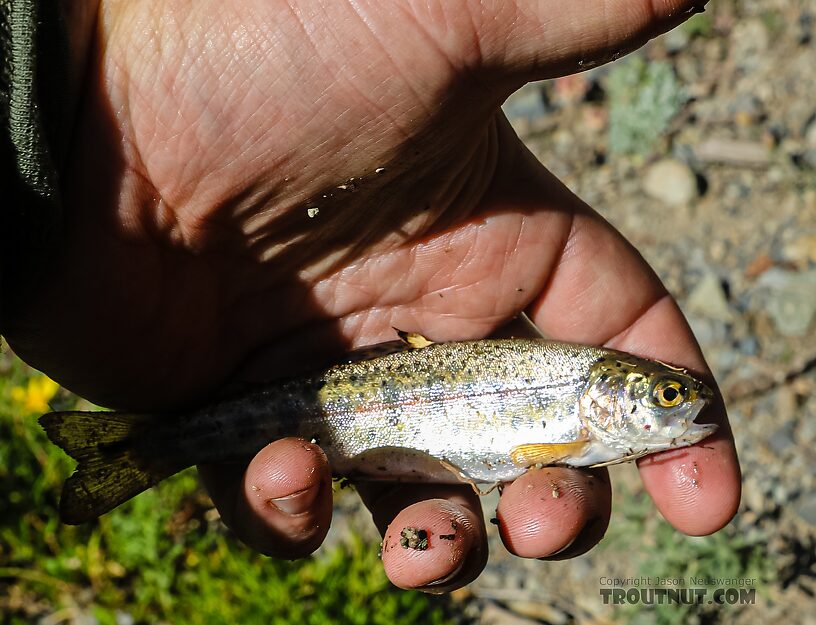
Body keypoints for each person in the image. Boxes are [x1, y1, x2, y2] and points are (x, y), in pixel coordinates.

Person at [1, 0, 739, 592]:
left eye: (669, 396)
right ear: (608, 394)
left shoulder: (584, 393)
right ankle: (150, 444)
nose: (684, 404)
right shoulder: (577, 393)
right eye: (665, 398)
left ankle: (150, 442)